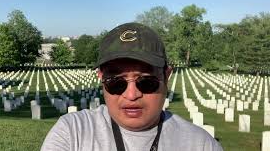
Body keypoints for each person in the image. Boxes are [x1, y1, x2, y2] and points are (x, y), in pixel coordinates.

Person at [41, 22, 223, 151]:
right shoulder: (72, 132)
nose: (131, 94)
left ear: (166, 77)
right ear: (101, 78)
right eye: (116, 83)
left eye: (146, 81)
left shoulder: (201, 145)